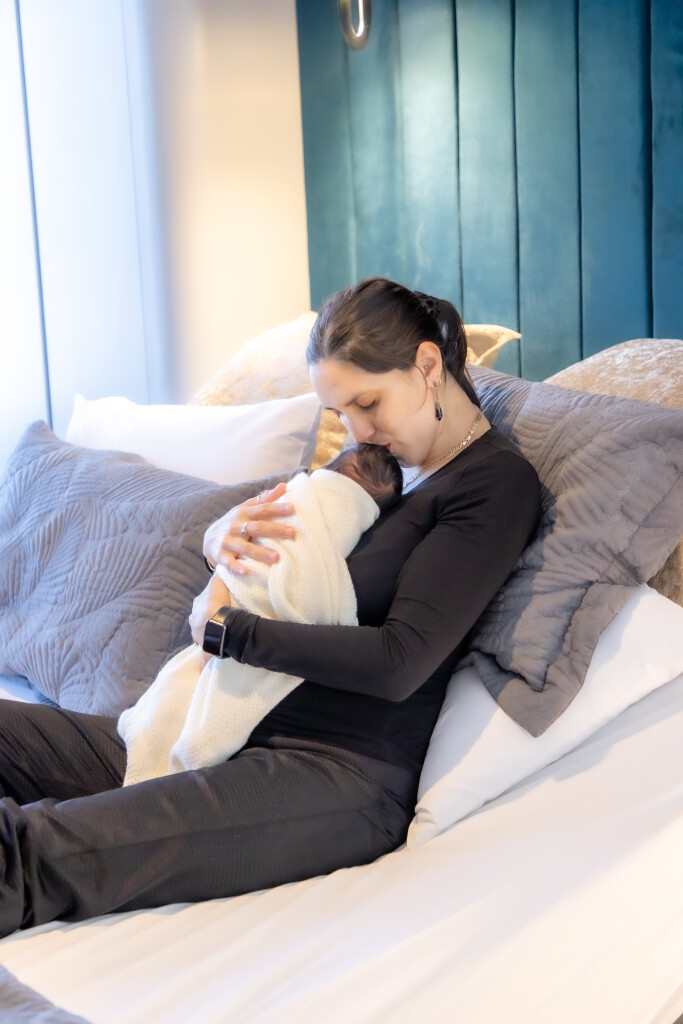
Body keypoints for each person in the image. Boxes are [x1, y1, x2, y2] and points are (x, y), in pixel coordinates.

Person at [0, 277, 541, 938]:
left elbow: (399, 660)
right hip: (215, 720)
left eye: (367, 403)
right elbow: (278, 556)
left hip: (331, 770)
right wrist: (220, 546)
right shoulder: (368, 470)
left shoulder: (492, 484)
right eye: (339, 411)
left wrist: (229, 632)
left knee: (33, 850)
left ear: (427, 365)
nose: (357, 431)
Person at [119, 444, 403, 785]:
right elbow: (248, 549)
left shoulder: (306, 494)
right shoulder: (292, 496)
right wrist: (215, 557)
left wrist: (224, 616)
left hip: (257, 649)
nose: (362, 426)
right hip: (234, 622)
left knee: (190, 686)